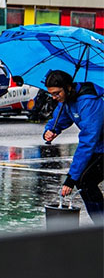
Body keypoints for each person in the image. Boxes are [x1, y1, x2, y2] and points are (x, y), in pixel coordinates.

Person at [42, 70, 103, 223]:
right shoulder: (67, 100)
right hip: (99, 145)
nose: (54, 97)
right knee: (84, 182)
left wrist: (71, 178)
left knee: (85, 181)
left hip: (98, 145)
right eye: (51, 94)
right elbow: (59, 118)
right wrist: (51, 130)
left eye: (57, 93)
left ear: (68, 87)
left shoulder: (89, 102)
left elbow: (88, 140)